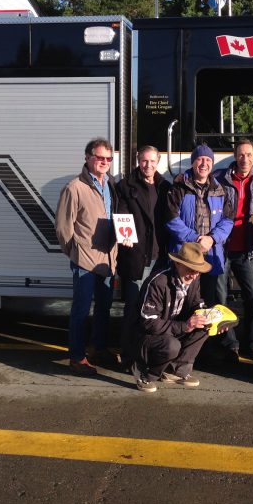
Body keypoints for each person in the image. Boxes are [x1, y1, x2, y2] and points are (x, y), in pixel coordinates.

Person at [55, 138, 118, 376]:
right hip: (84, 262)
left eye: (108, 159)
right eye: (99, 157)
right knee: (81, 311)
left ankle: (98, 349)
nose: (103, 162)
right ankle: (77, 357)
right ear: (87, 157)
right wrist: (74, 251)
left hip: (107, 260)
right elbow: (63, 227)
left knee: (104, 308)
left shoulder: (110, 184)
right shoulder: (75, 188)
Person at [165, 144, 235, 360]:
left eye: (208, 160)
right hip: (185, 257)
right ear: (193, 162)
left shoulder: (220, 190)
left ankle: (205, 348)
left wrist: (212, 239)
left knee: (208, 302)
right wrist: (195, 239)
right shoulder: (178, 187)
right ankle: (179, 347)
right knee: (183, 303)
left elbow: (228, 220)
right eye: (199, 160)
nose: (203, 164)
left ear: (212, 165)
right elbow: (171, 219)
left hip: (211, 256)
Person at [212, 139, 253, 361]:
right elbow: (197, 171)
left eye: (249, 154)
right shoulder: (219, 177)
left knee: (252, 297)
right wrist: (181, 175)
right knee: (221, 297)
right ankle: (230, 343)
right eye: (241, 154)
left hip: (247, 249)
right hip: (222, 248)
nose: (245, 159)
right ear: (235, 156)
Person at [131, 242, 212, 393]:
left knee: (206, 326)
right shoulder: (158, 281)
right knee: (171, 345)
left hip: (172, 329)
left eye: (198, 271)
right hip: (145, 336)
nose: (194, 275)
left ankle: (175, 371)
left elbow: (196, 303)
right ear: (177, 264)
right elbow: (148, 323)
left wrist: (210, 317)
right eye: (190, 269)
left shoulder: (193, 279)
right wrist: (185, 326)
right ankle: (145, 373)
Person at [115, 145, 168, 368]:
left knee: (155, 312)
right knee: (133, 308)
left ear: (159, 162)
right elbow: (121, 213)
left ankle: (149, 355)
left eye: (152, 161)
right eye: (144, 161)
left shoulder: (165, 186)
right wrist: (123, 234)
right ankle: (128, 356)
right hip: (136, 256)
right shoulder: (125, 186)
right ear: (138, 160)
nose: (148, 165)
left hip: (160, 257)